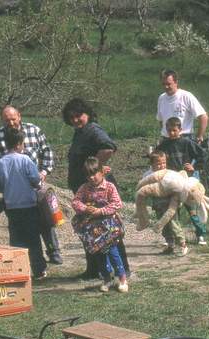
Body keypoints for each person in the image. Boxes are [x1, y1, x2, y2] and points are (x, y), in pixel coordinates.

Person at [0, 105, 62, 265]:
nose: (11, 123)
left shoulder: (34, 130)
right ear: (2, 120)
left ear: (19, 117)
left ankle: (53, 251)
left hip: (36, 186)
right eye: (7, 120)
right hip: (14, 192)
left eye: (13, 119)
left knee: (46, 220)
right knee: (21, 229)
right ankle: (26, 260)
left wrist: (44, 171)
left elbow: (47, 151)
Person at [62, 97, 131, 280]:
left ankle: (122, 269)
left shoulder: (93, 129)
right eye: (72, 117)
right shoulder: (80, 131)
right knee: (90, 230)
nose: (76, 120)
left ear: (87, 114)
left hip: (99, 191)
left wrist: (96, 169)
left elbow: (108, 147)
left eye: (79, 116)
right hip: (86, 190)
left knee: (109, 229)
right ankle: (94, 270)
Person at [0, 127, 47, 280]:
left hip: (11, 206)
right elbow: (35, 180)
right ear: (19, 144)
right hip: (28, 205)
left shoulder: (0, 163)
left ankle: (18, 270)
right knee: (33, 239)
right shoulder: (25, 160)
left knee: (16, 239)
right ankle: (39, 269)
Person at [72, 157, 128, 293]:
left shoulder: (109, 187)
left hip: (109, 227)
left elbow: (117, 203)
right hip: (92, 229)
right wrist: (85, 208)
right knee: (99, 254)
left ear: (102, 172)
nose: (91, 177)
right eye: (88, 175)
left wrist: (101, 211)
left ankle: (122, 278)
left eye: (94, 173)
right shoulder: (84, 188)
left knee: (113, 252)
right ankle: (107, 278)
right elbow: (75, 202)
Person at [157, 117, 209, 246]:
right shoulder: (164, 145)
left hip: (186, 182)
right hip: (171, 182)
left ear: (180, 129)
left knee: (192, 210)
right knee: (173, 211)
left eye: (174, 130)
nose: (172, 133)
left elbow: (202, 154)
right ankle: (175, 238)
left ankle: (201, 234)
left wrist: (195, 167)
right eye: (169, 130)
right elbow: (154, 157)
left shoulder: (187, 143)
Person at [143, 150, 188, 256]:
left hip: (170, 204)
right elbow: (143, 187)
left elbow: (178, 185)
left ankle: (182, 244)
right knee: (164, 226)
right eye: (158, 163)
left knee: (173, 224)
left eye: (164, 163)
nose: (162, 165)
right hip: (158, 204)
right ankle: (170, 244)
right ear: (152, 164)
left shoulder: (169, 174)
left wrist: (178, 198)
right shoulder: (148, 175)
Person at [156, 69, 209, 144]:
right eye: (163, 84)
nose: (166, 87)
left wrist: (199, 137)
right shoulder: (161, 98)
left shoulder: (186, 96)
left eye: (168, 84)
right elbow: (161, 120)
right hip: (166, 139)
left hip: (184, 139)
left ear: (176, 82)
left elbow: (204, 117)